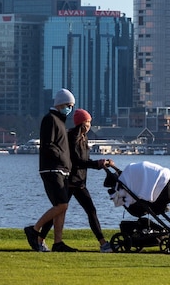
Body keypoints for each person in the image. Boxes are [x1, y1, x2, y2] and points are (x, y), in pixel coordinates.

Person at [39, 108, 112, 253]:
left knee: (89, 211)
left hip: (79, 182)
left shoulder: (84, 138)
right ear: (81, 123)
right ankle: (40, 239)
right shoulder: (71, 137)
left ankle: (103, 243)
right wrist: (95, 164)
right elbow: (76, 161)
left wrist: (98, 164)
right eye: (87, 122)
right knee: (59, 210)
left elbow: (84, 160)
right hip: (70, 181)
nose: (89, 125)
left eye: (90, 122)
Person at [24, 88, 77, 252]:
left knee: (61, 206)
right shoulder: (50, 119)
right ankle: (34, 230)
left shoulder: (60, 121)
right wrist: (61, 159)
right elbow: (48, 145)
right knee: (62, 205)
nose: (71, 109)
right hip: (53, 170)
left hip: (61, 170)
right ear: (62, 104)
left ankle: (58, 242)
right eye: (69, 105)